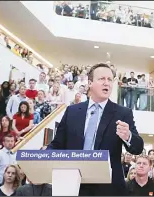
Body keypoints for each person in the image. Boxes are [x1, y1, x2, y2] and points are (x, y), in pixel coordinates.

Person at [47, 63, 144, 195]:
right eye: (102, 79)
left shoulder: (122, 113)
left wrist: (128, 136)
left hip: (108, 188)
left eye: (110, 80)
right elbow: (57, 144)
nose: (107, 83)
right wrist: (43, 158)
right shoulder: (72, 111)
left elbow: (137, 147)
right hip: (73, 185)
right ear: (90, 83)